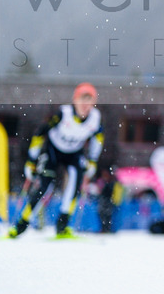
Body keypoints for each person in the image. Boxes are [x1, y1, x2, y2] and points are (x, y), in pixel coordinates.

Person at [9, 83, 104, 239]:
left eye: (90, 100)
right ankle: (20, 226)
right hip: (53, 150)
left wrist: (92, 161)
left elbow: (98, 139)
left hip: (74, 154)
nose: (86, 105)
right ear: (75, 100)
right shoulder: (64, 113)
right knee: (45, 186)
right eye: (82, 99)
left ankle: (62, 226)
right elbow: (40, 133)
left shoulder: (95, 118)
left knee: (75, 184)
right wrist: (31, 161)